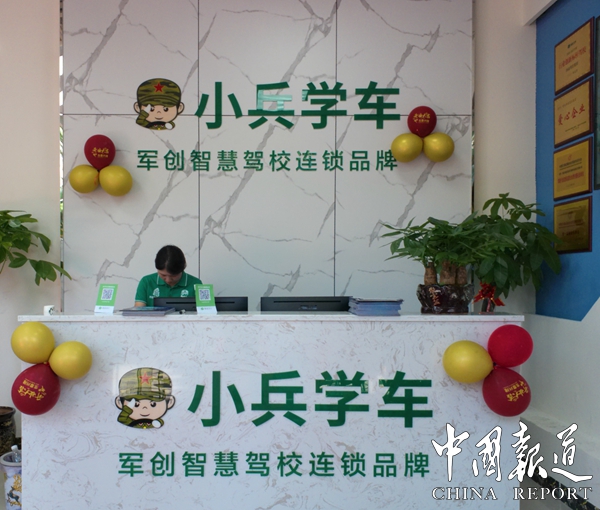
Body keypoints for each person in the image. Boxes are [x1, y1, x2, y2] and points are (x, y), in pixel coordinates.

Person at [134, 245, 202, 307]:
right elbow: (139, 312)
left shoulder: (196, 284)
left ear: (183, 268)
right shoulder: (147, 282)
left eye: (173, 275)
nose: (168, 280)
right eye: (163, 275)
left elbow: (203, 312)